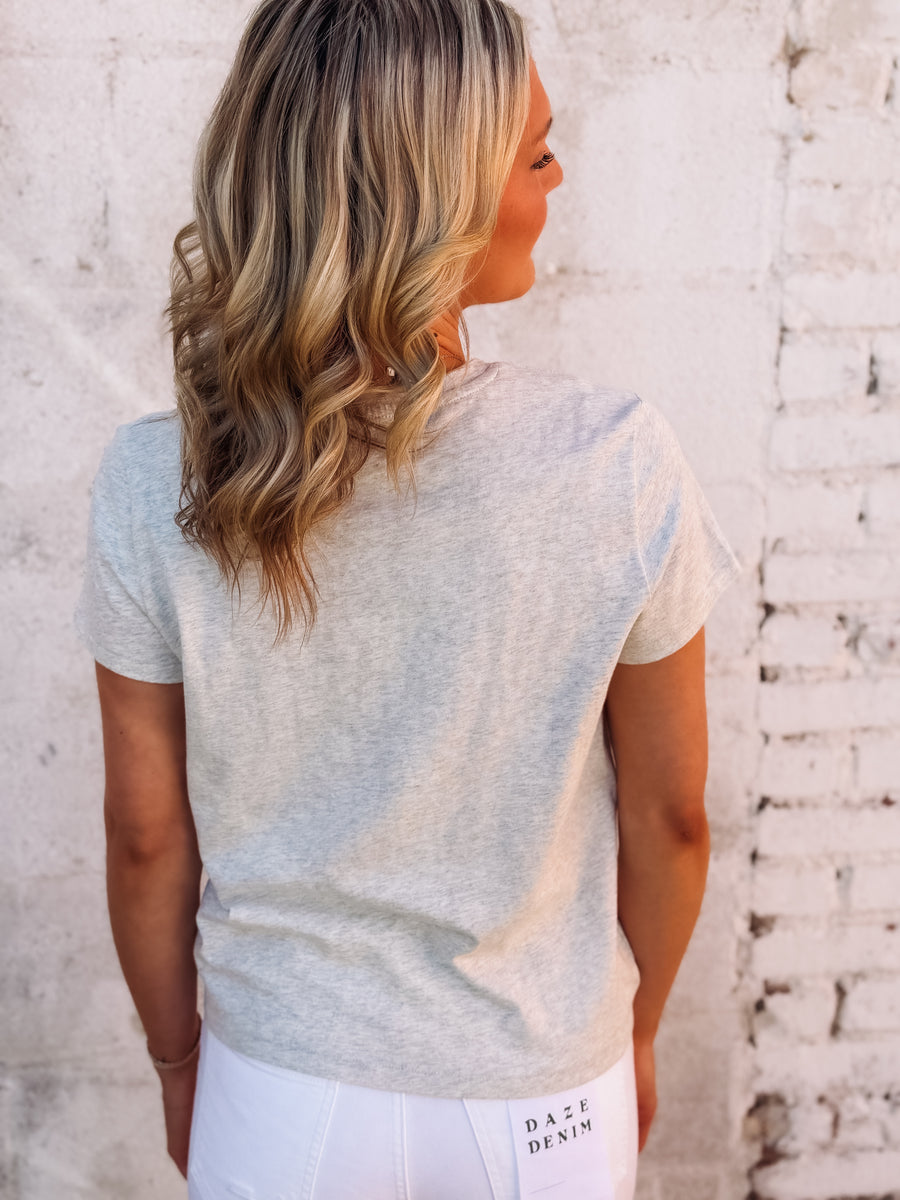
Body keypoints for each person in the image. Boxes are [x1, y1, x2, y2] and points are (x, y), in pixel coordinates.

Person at [76, 1, 741, 1196]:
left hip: (276, 1086)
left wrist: (180, 1064)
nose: (558, 175)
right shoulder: (615, 463)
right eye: (535, 152)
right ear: (437, 197)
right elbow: (673, 815)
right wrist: (633, 1036)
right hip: (542, 1096)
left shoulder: (151, 483)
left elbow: (144, 837)